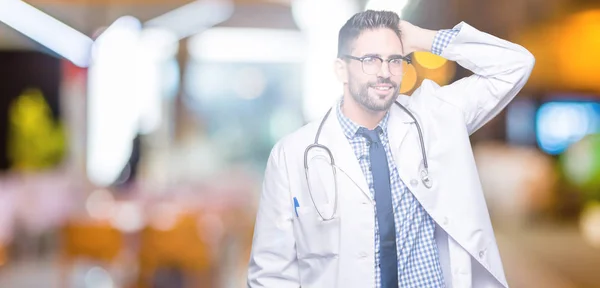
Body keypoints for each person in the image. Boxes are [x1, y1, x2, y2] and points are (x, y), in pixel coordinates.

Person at [247, 9, 534, 288]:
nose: (385, 72)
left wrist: (423, 38)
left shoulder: (436, 116)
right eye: (370, 59)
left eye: (395, 60)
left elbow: (515, 65)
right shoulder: (293, 154)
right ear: (341, 69)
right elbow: (271, 273)